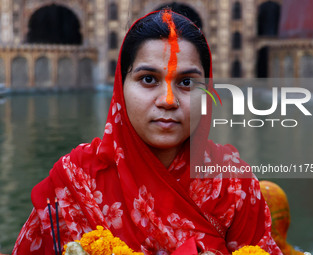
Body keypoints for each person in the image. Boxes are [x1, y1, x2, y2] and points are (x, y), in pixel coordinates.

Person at [13, 10, 282, 255]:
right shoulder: (74, 181)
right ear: (121, 86)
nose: (168, 100)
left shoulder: (232, 184)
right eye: (148, 79)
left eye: (187, 82)